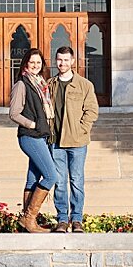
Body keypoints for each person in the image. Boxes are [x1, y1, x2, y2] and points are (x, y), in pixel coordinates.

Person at [48, 44, 98, 232]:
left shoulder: (84, 85)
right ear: (56, 61)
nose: (62, 63)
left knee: (76, 180)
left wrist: (82, 129)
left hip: (77, 142)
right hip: (56, 142)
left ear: (73, 61)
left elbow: (92, 110)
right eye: (59, 60)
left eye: (66, 60)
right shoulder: (50, 84)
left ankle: (76, 219)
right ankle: (62, 219)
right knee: (59, 182)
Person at [8, 48, 57, 233]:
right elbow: (13, 113)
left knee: (33, 178)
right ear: (26, 64)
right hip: (30, 137)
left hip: (40, 136)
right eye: (32, 62)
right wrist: (32, 124)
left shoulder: (40, 84)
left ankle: (25, 221)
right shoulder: (22, 84)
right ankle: (29, 218)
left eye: (38, 62)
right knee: (51, 175)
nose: (35, 65)